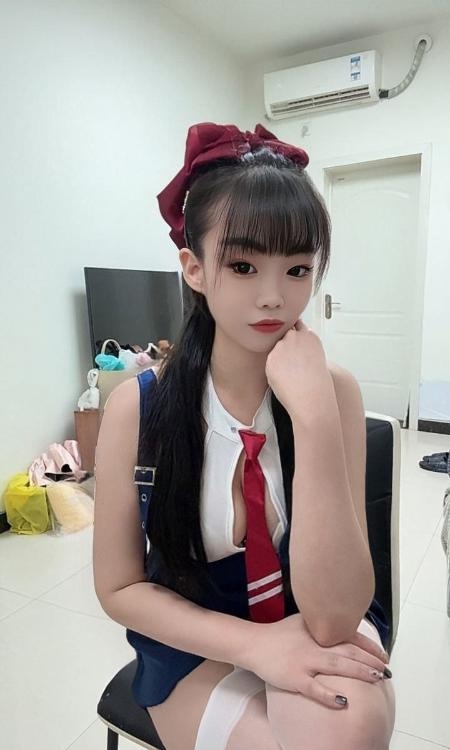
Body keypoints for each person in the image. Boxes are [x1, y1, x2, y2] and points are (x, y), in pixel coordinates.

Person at [93, 122, 396, 750]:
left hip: (312, 611)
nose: (274, 297)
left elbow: (334, 616)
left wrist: (314, 420)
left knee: (348, 727)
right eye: (242, 265)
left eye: (297, 268)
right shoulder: (137, 408)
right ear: (195, 268)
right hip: (197, 634)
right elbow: (119, 588)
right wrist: (256, 646)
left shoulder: (335, 392)